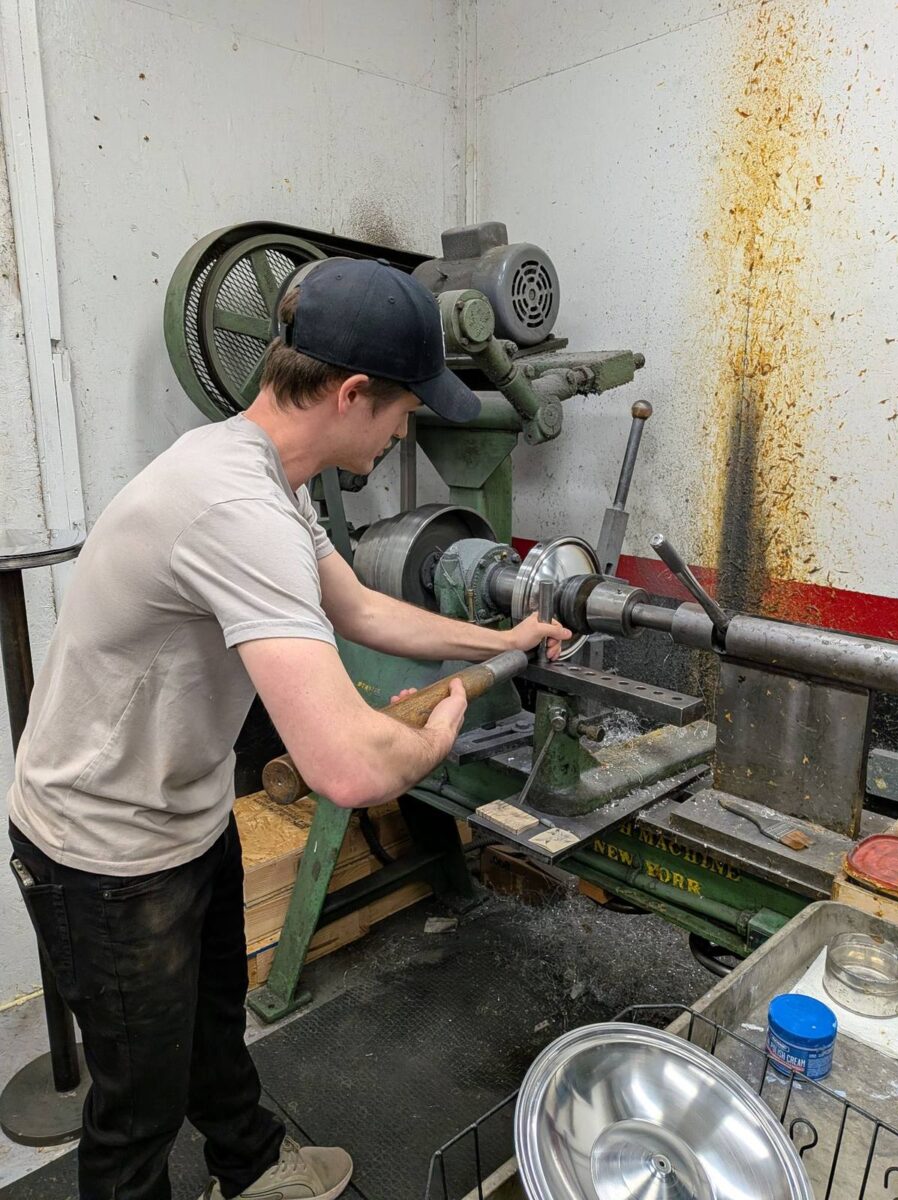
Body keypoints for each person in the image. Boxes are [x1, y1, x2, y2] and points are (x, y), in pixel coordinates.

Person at [6, 258, 569, 1200]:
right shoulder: (235, 507)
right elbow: (348, 768)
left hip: (185, 816)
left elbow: (363, 611)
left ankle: (252, 1167)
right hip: (101, 850)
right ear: (352, 394)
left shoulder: (271, 474)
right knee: (136, 1112)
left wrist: (502, 639)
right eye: (403, 409)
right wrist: (436, 736)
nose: (403, 430)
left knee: (214, 1031)